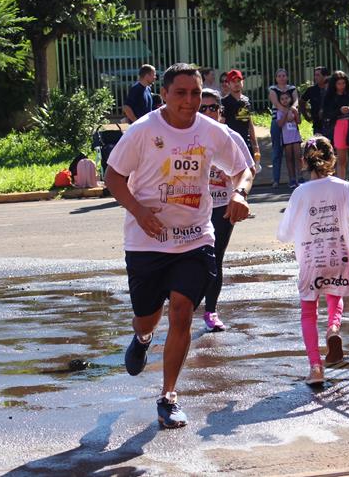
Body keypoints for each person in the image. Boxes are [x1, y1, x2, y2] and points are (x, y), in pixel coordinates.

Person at [104, 63, 253, 428]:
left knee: (183, 310)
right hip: (147, 240)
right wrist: (138, 211)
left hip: (195, 236)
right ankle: (142, 337)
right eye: (181, 93)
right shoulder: (143, 131)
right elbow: (113, 176)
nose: (189, 101)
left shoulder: (212, 132)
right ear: (165, 95)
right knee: (147, 316)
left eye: (196, 93)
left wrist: (239, 192)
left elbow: (244, 167)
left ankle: (168, 396)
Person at [276, 136, 349, 385]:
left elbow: (283, 234)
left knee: (308, 312)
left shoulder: (300, 193)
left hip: (310, 260)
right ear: (332, 158)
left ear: (304, 161)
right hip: (339, 256)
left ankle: (316, 368)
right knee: (335, 298)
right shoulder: (343, 187)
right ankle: (333, 330)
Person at [199, 88, 256, 332]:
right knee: (190, 259)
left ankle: (210, 311)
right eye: (203, 108)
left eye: (213, 107)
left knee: (214, 258)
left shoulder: (231, 136)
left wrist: (238, 193)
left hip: (222, 205)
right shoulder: (186, 136)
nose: (208, 112)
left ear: (221, 111)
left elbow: (249, 170)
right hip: (192, 207)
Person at [221, 70, 260, 166]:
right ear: (228, 84)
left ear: (242, 82)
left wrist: (255, 145)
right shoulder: (224, 102)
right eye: (233, 81)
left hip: (246, 143)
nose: (236, 84)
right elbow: (221, 124)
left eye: (238, 81)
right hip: (231, 144)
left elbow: (249, 124)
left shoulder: (246, 100)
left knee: (250, 172)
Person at [268, 68, 299, 188]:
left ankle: (296, 178)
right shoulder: (273, 89)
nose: (281, 77)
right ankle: (276, 179)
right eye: (279, 76)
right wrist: (288, 114)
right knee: (277, 150)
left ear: (287, 77)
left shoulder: (292, 88)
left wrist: (293, 111)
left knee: (293, 152)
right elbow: (277, 104)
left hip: (292, 122)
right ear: (276, 78)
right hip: (278, 120)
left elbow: (295, 101)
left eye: (283, 75)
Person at [277, 90, 303, 187]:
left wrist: (295, 112)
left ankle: (300, 177)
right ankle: (292, 178)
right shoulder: (280, 112)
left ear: (290, 99)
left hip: (295, 137)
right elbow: (280, 124)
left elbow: (299, 122)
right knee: (289, 158)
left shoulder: (294, 109)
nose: (284, 100)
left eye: (286, 98)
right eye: (282, 99)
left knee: (298, 157)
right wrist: (285, 114)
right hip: (286, 139)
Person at [300, 66, 330, 136]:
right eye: (315, 75)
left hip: (332, 123)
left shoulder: (333, 89)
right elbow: (301, 101)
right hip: (317, 124)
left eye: (318, 75)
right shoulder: (311, 90)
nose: (315, 77)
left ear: (325, 76)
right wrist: (306, 115)